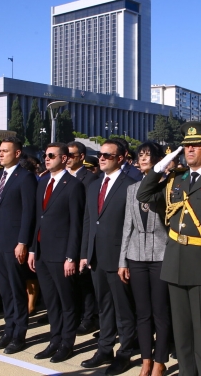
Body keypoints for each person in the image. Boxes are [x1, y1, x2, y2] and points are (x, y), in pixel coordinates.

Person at [137, 122, 201, 376]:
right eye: (186, 145)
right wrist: (159, 167)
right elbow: (144, 195)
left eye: (196, 145)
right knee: (182, 335)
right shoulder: (175, 179)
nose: (189, 149)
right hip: (175, 262)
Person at [80, 139, 137, 375]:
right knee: (104, 307)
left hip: (118, 258)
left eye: (107, 155)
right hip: (96, 256)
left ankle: (125, 353)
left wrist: (126, 260)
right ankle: (104, 349)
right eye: (100, 154)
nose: (101, 158)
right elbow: (88, 221)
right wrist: (85, 253)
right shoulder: (94, 185)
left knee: (123, 310)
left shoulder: (131, 185)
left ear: (120, 158)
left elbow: (133, 227)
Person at [119, 142, 173, 376]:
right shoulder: (132, 188)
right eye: (140, 155)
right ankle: (146, 360)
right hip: (136, 255)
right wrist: (122, 260)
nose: (142, 159)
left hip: (162, 253)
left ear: (159, 160)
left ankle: (160, 361)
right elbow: (127, 226)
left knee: (160, 312)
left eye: (147, 155)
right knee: (142, 313)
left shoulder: (169, 186)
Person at [29, 143, 85, 363]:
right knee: (51, 302)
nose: (47, 158)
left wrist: (71, 256)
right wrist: (33, 249)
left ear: (63, 158)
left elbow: (76, 225)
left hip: (62, 254)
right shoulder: (42, 182)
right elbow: (38, 218)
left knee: (67, 302)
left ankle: (66, 343)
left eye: (51, 155)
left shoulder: (73, 185)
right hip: (42, 252)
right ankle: (54, 340)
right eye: (45, 155)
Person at [0, 137, 37, 354]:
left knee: (16, 290)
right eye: (0, 150)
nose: (1, 154)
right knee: (5, 291)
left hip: (15, 243)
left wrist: (23, 242)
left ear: (17, 153)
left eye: (5, 151)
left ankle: (19, 334)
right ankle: (8, 330)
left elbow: (29, 213)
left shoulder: (25, 177)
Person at [67, 141, 99, 335]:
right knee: (69, 281)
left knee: (84, 280)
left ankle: (89, 318)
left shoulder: (90, 179)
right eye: (66, 154)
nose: (68, 158)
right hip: (65, 235)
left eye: (72, 155)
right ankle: (74, 314)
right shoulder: (62, 177)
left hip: (82, 233)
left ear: (81, 157)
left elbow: (88, 213)